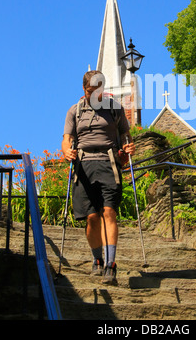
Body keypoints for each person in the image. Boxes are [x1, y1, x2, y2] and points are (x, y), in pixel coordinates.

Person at [62, 70, 135, 285]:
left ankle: (111, 265)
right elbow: (67, 139)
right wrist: (67, 151)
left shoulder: (115, 110)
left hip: (109, 163)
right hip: (83, 165)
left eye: (98, 91)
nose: (93, 95)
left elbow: (126, 136)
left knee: (109, 212)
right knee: (92, 217)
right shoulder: (74, 111)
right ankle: (97, 260)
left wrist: (128, 148)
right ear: (84, 89)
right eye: (89, 91)